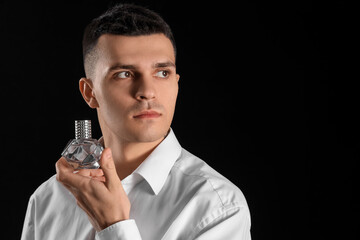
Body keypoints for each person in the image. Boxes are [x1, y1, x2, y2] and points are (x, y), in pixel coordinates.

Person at [21, 3, 251, 240]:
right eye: (124, 74)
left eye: (162, 73)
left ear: (177, 83)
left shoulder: (219, 206)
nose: (147, 91)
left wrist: (113, 224)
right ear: (89, 93)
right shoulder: (47, 198)